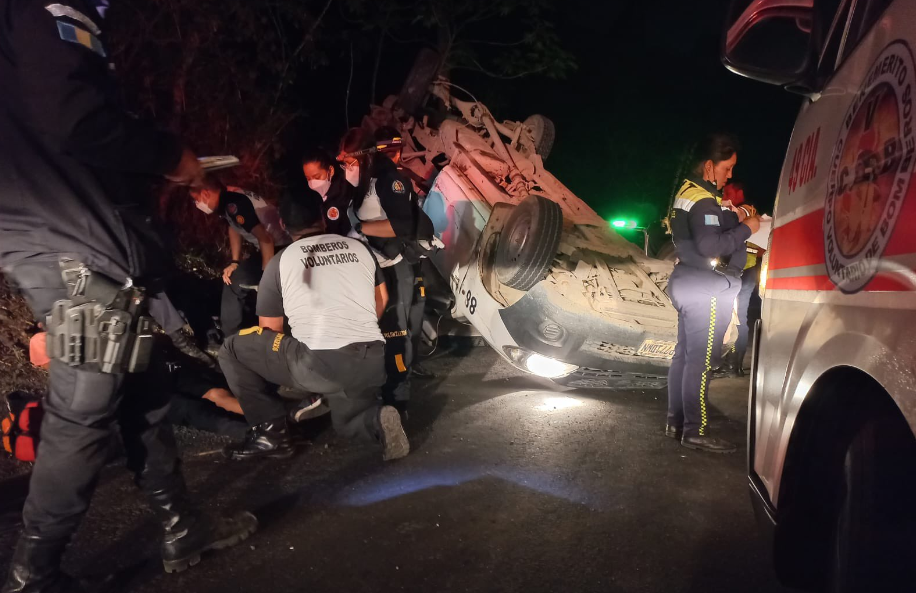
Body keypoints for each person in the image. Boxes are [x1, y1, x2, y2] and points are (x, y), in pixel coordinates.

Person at [0, 0, 257, 589]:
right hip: (75, 245)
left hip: (53, 235)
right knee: (82, 413)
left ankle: (181, 524)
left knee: (144, 386)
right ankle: (33, 573)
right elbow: (75, 118)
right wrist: (170, 156)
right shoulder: (46, 9)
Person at [219, 190, 410, 462]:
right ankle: (376, 419)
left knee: (232, 349)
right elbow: (382, 297)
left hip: (320, 363)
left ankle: (271, 432)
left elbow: (269, 331)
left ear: (283, 224)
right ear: (322, 218)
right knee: (345, 423)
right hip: (372, 359)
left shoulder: (280, 261)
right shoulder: (359, 248)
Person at [665, 133, 761, 453]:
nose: (730, 175)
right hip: (705, 287)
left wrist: (736, 215)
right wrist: (748, 228)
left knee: (684, 356)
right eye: (727, 167)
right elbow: (710, 245)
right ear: (709, 166)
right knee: (702, 361)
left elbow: (709, 226)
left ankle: (676, 422)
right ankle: (696, 430)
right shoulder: (704, 200)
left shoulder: (690, 192)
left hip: (689, 280)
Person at [338, 128, 436, 411]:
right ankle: (374, 390)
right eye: (343, 163)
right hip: (366, 270)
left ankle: (398, 400)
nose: (346, 168)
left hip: (391, 268)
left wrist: (362, 228)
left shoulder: (390, 180)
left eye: (349, 162)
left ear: (365, 158)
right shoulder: (363, 182)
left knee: (394, 333)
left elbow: (401, 225)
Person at [190, 178, 291, 337]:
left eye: (196, 200)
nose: (197, 204)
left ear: (205, 194)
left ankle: (231, 339)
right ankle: (235, 334)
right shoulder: (229, 197)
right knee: (234, 276)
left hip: (281, 249)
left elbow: (266, 239)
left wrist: (267, 279)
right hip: (274, 247)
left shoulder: (235, 204)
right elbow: (234, 227)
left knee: (236, 283)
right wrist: (235, 262)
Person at [301, 147, 355, 236]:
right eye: (308, 178)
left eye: (317, 177)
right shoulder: (313, 197)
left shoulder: (343, 194)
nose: (313, 183)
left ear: (330, 171)